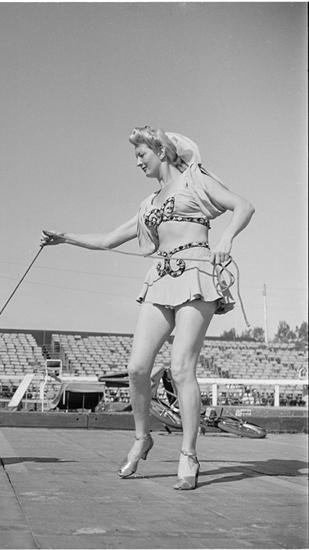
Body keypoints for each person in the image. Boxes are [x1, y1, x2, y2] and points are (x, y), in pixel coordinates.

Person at [41, 126, 254, 490]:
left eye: (141, 155)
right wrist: (66, 237)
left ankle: (189, 454)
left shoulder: (195, 180)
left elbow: (243, 206)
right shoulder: (148, 204)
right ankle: (142, 437)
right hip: (160, 278)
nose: (137, 162)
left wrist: (227, 238)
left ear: (161, 150)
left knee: (181, 366)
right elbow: (108, 240)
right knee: (137, 367)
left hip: (197, 273)